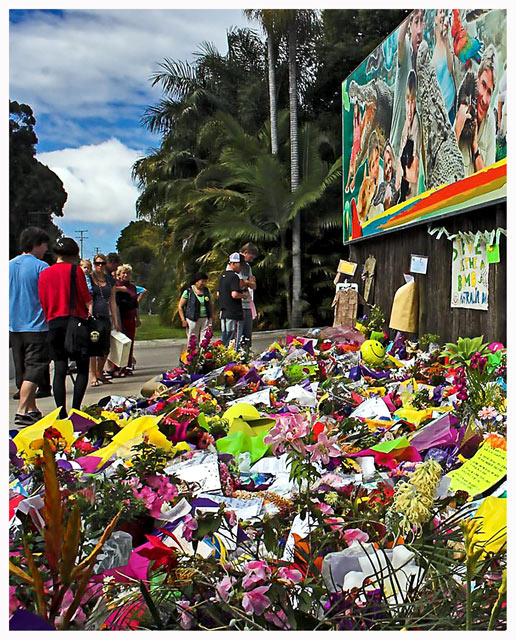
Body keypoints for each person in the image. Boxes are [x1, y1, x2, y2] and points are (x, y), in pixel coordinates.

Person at [38, 237, 92, 419]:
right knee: (83, 368)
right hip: (75, 321)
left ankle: (61, 412)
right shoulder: (75, 271)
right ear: (74, 254)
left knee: (59, 368)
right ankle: (76, 410)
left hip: (54, 322)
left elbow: (43, 301)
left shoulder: (45, 273)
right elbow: (86, 297)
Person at [9, 227, 51, 426]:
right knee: (35, 367)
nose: (46, 249)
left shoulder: (8, 265)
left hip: (13, 325)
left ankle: (32, 407)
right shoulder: (41, 267)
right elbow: (47, 297)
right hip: (36, 325)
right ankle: (22, 410)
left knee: (22, 368)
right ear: (36, 244)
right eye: (44, 244)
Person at [454, 44, 497, 176]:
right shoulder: (462, 105)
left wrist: (475, 148)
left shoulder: (490, 122)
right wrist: (457, 130)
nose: (484, 98)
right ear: (477, 80)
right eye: (483, 85)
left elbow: (489, 181)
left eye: (489, 92)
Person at [390, 9, 424, 159]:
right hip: (396, 147)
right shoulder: (405, 59)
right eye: (416, 22)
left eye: (422, 21)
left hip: (410, 154)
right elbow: (399, 41)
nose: (420, 30)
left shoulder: (422, 61)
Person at [89, 254, 120, 386]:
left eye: (102, 263)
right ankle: (94, 375)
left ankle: (100, 371)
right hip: (93, 316)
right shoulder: (89, 279)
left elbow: (112, 300)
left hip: (105, 315)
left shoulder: (110, 280)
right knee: (93, 347)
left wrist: (116, 320)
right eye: (97, 263)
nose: (100, 266)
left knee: (105, 347)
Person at [395, 70, 422, 203]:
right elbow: (397, 182)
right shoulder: (405, 126)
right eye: (408, 101)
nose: (410, 108)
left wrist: (402, 170)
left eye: (413, 102)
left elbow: (413, 176)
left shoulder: (417, 124)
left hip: (415, 200)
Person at [112, 264, 140, 377]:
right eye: (123, 273)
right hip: (120, 317)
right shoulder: (116, 285)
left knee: (130, 343)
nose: (125, 275)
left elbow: (135, 303)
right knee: (120, 343)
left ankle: (127, 366)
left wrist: (137, 318)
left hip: (130, 316)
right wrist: (120, 289)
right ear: (119, 274)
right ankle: (117, 367)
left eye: (127, 273)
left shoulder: (132, 287)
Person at [431, 9, 456, 124]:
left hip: (452, 108)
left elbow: (451, 70)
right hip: (441, 115)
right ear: (435, 19)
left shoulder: (448, 43)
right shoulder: (433, 51)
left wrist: (446, 41)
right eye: (440, 12)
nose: (442, 15)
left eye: (443, 12)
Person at [218, 252, 248, 347]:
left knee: (225, 338)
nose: (241, 267)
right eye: (240, 264)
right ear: (233, 263)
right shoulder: (234, 277)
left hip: (224, 312)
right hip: (234, 313)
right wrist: (244, 295)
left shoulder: (222, 277)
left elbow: (219, 294)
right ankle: (232, 360)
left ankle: (223, 358)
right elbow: (234, 294)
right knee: (233, 340)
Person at [178, 272, 213, 345]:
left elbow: (210, 304)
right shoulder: (189, 292)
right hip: (192, 319)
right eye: (202, 281)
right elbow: (180, 306)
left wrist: (211, 315)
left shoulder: (206, 291)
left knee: (205, 339)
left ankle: (203, 353)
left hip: (205, 318)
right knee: (193, 339)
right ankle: (192, 354)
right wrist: (183, 320)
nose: (203, 283)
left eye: (205, 281)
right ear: (196, 281)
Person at [235, 243, 258, 348]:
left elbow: (253, 285)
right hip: (238, 304)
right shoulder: (235, 263)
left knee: (247, 334)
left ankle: (246, 354)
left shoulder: (247, 267)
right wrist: (247, 282)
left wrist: (247, 282)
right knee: (238, 335)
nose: (252, 260)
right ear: (245, 253)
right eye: (251, 257)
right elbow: (239, 283)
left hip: (247, 303)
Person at [345, 102, 362, 194]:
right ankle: (348, 184)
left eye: (356, 111)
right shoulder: (354, 121)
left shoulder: (359, 121)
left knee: (355, 163)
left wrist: (359, 147)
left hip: (358, 142)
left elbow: (360, 133)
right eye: (354, 111)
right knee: (351, 163)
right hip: (354, 143)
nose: (355, 113)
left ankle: (353, 182)